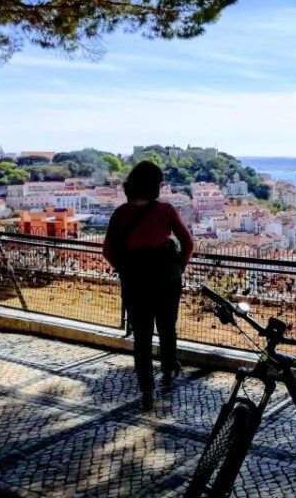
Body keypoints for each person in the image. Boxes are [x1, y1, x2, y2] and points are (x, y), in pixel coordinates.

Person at [102, 161, 194, 411]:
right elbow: (188, 243)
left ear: (131, 184)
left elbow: (108, 251)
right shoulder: (165, 210)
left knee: (141, 337)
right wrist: (179, 268)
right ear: (156, 186)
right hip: (167, 279)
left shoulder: (120, 214)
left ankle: (146, 389)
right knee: (167, 328)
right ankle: (167, 369)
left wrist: (127, 269)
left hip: (136, 283)